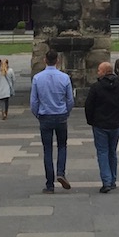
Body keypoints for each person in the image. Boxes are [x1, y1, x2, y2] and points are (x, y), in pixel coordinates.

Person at [30, 49, 74, 193]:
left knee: (47, 149)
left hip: (45, 116)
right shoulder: (65, 77)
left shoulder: (37, 78)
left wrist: (38, 114)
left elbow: (34, 101)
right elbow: (70, 100)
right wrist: (66, 111)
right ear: (57, 61)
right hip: (60, 115)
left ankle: (50, 184)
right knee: (62, 146)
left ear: (45, 60)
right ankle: (60, 172)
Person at [84, 60, 119, 193]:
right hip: (115, 124)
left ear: (104, 72)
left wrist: (91, 120)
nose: (97, 72)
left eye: (99, 70)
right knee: (112, 152)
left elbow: (89, 106)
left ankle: (106, 181)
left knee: (103, 152)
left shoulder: (96, 88)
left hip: (100, 124)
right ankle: (113, 179)